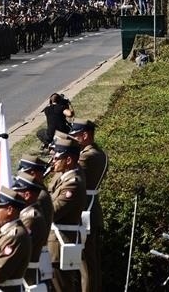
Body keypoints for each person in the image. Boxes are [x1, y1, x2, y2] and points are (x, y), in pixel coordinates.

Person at [68, 120, 108, 292]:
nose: (72, 141)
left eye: (74, 137)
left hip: (86, 213)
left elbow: (71, 177)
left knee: (86, 265)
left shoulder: (87, 156)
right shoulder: (98, 153)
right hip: (91, 211)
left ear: (84, 135)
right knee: (91, 263)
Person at [47, 132, 87, 292]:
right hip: (55, 244)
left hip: (60, 244)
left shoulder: (73, 184)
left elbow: (53, 211)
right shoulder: (65, 177)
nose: (53, 161)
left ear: (69, 160)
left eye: (57, 158)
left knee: (61, 287)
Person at [11, 170, 53, 289]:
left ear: (27, 195)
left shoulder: (30, 218)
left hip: (27, 277)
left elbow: (19, 250)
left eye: (17, 192)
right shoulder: (28, 213)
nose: (14, 195)